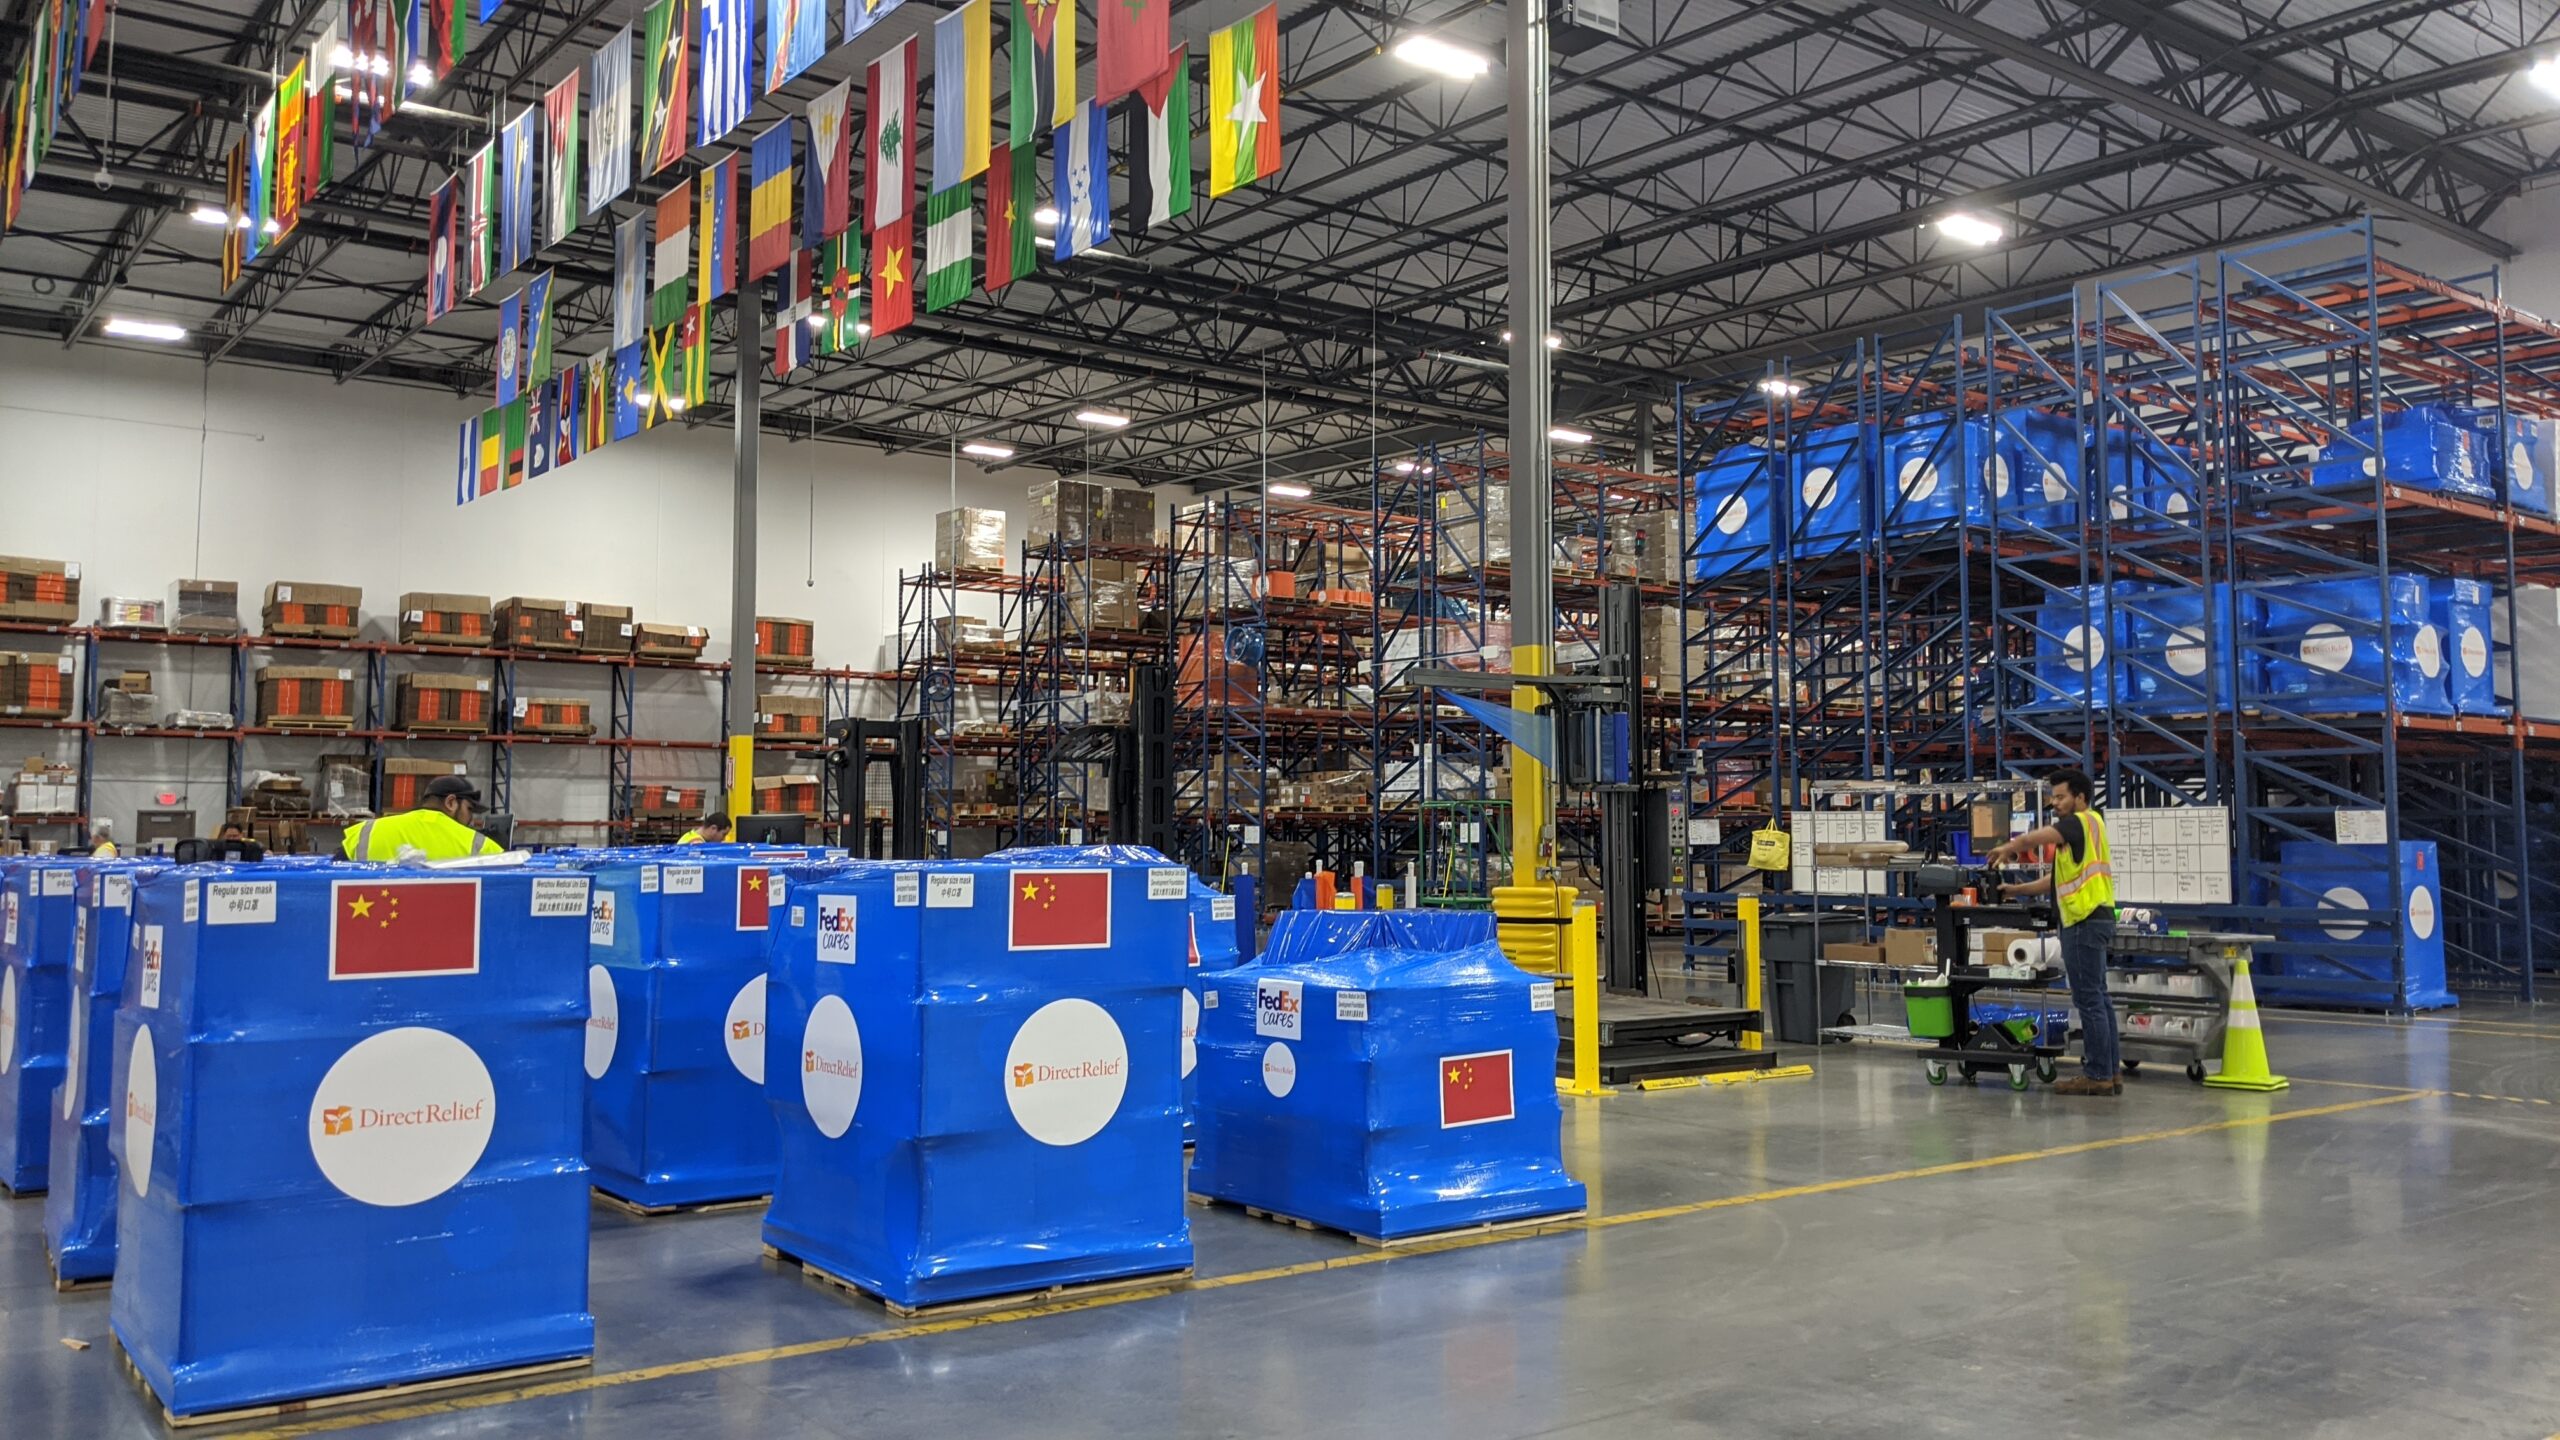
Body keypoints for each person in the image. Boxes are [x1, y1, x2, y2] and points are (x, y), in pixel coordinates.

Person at [1985, 768, 2119, 1096]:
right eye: (2054, 797)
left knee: (2089, 1000)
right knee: (2099, 999)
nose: (2054, 803)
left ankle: (2098, 1074)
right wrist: (2017, 891)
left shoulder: (2079, 822)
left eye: (2060, 797)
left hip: (2083, 921)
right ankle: (2110, 1072)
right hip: (2094, 919)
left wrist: (2009, 847)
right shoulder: (2090, 828)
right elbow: (2055, 881)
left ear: (2081, 797)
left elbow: (2037, 837)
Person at [341, 775, 502, 862]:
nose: (472, 819)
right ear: (451, 803)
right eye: (470, 809)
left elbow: (332, 874)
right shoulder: (480, 845)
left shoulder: (367, 832)